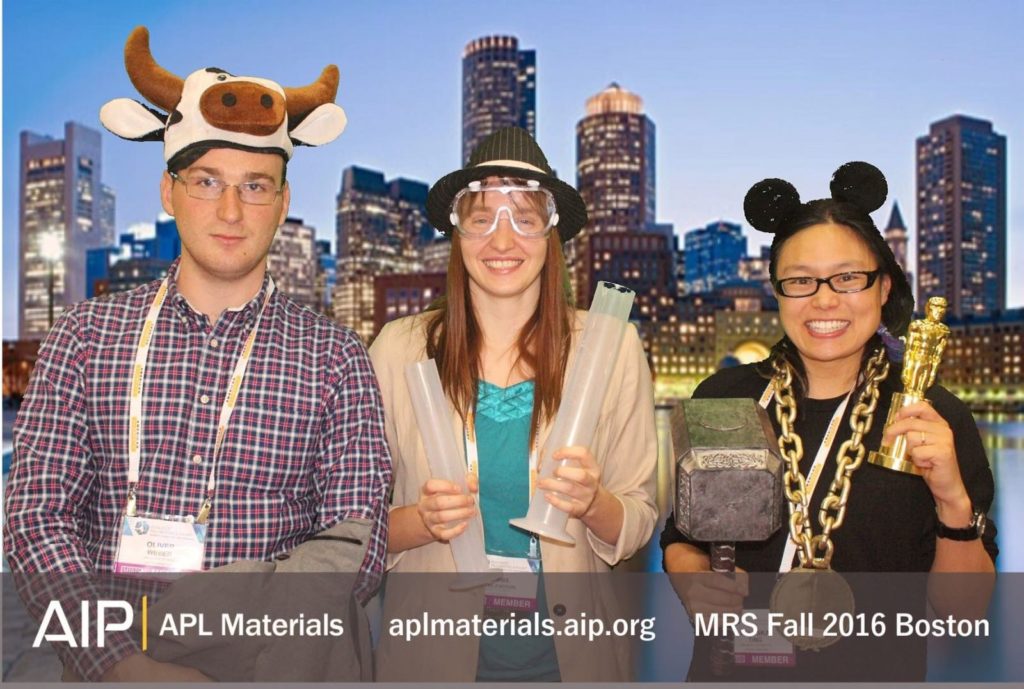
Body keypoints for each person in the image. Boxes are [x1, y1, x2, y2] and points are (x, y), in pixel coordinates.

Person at [3, 27, 392, 681]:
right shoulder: (85, 336)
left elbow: (360, 540)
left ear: (284, 203)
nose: (232, 209)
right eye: (208, 180)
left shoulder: (337, 356)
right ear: (169, 191)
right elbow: (35, 513)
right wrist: (125, 664)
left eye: (257, 185)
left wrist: (222, 615)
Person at [660, 162, 997, 681]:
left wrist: (954, 501)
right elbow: (681, 535)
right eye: (800, 280)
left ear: (884, 287)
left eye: (847, 277)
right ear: (776, 291)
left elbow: (963, 614)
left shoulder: (932, 415)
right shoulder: (726, 396)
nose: (824, 299)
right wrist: (688, 575)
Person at [369, 127, 658, 681]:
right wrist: (421, 521)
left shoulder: (610, 345)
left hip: (572, 661)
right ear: (457, 234)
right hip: (430, 656)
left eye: (524, 217)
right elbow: (354, 526)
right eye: (481, 218)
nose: (502, 241)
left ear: (551, 234)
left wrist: (592, 502)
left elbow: (639, 516)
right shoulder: (398, 350)